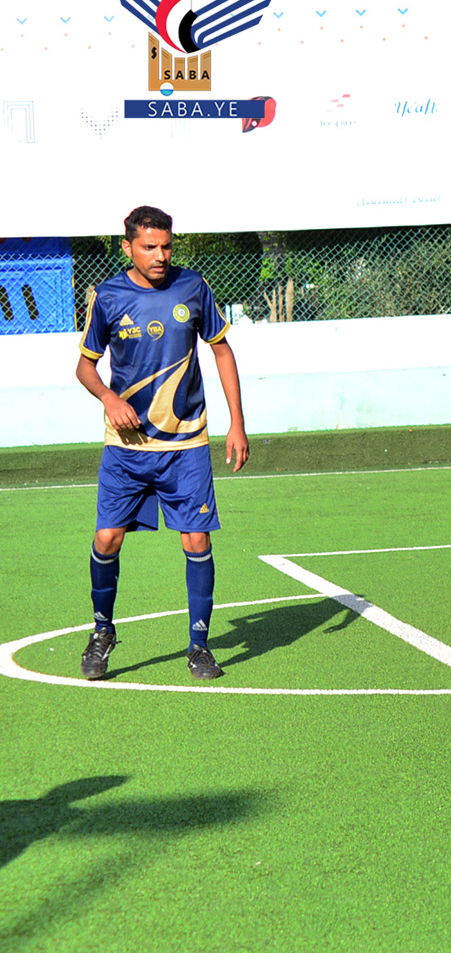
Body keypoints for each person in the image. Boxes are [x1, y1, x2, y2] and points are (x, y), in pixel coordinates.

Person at [76, 205, 249, 682]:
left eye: (167, 245)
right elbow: (85, 366)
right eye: (149, 246)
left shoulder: (192, 287)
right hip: (127, 447)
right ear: (128, 246)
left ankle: (199, 644)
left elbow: (221, 349)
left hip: (187, 446)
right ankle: (102, 631)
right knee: (107, 538)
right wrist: (109, 398)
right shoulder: (109, 296)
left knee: (196, 538)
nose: (160, 255)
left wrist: (236, 423)